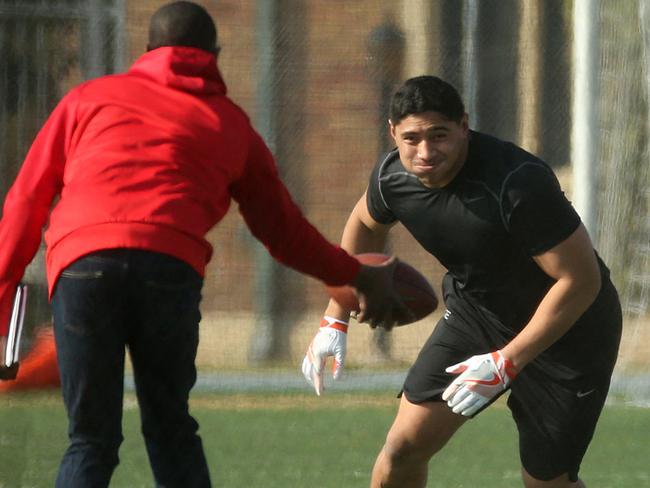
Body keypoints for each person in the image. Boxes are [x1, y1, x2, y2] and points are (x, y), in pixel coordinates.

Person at [0, 2, 409, 486]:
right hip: (168, 270)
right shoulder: (230, 123)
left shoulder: (87, 99)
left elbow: (25, 203)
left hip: (83, 266)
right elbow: (284, 233)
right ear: (214, 54)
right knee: (171, 430)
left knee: (90, 438)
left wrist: (3, 307)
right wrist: (355, 273)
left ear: (148, 50)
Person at [302, 75, 622, 488]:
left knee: (547, 483)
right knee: (402, 449)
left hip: (570, 333)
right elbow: (364, 223)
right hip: (479, 316)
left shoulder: (517, 183)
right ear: (392, 133)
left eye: (439, 135)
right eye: (412, 138)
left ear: (464, 125)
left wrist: (508, 361)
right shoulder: (391, 178)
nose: (426, 151)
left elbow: (581, 281)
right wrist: (336, 315)